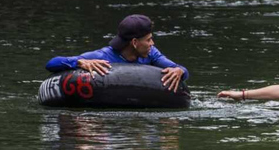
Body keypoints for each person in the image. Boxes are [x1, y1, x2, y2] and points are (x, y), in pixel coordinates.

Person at [45, 14, 188, 92]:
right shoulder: (104, 56)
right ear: (134, 42)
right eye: (149, 40)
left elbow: (183, 71)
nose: (152, 44)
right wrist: (78, 62)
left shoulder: (152, 54)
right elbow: (51, 64)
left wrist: (179, 71)